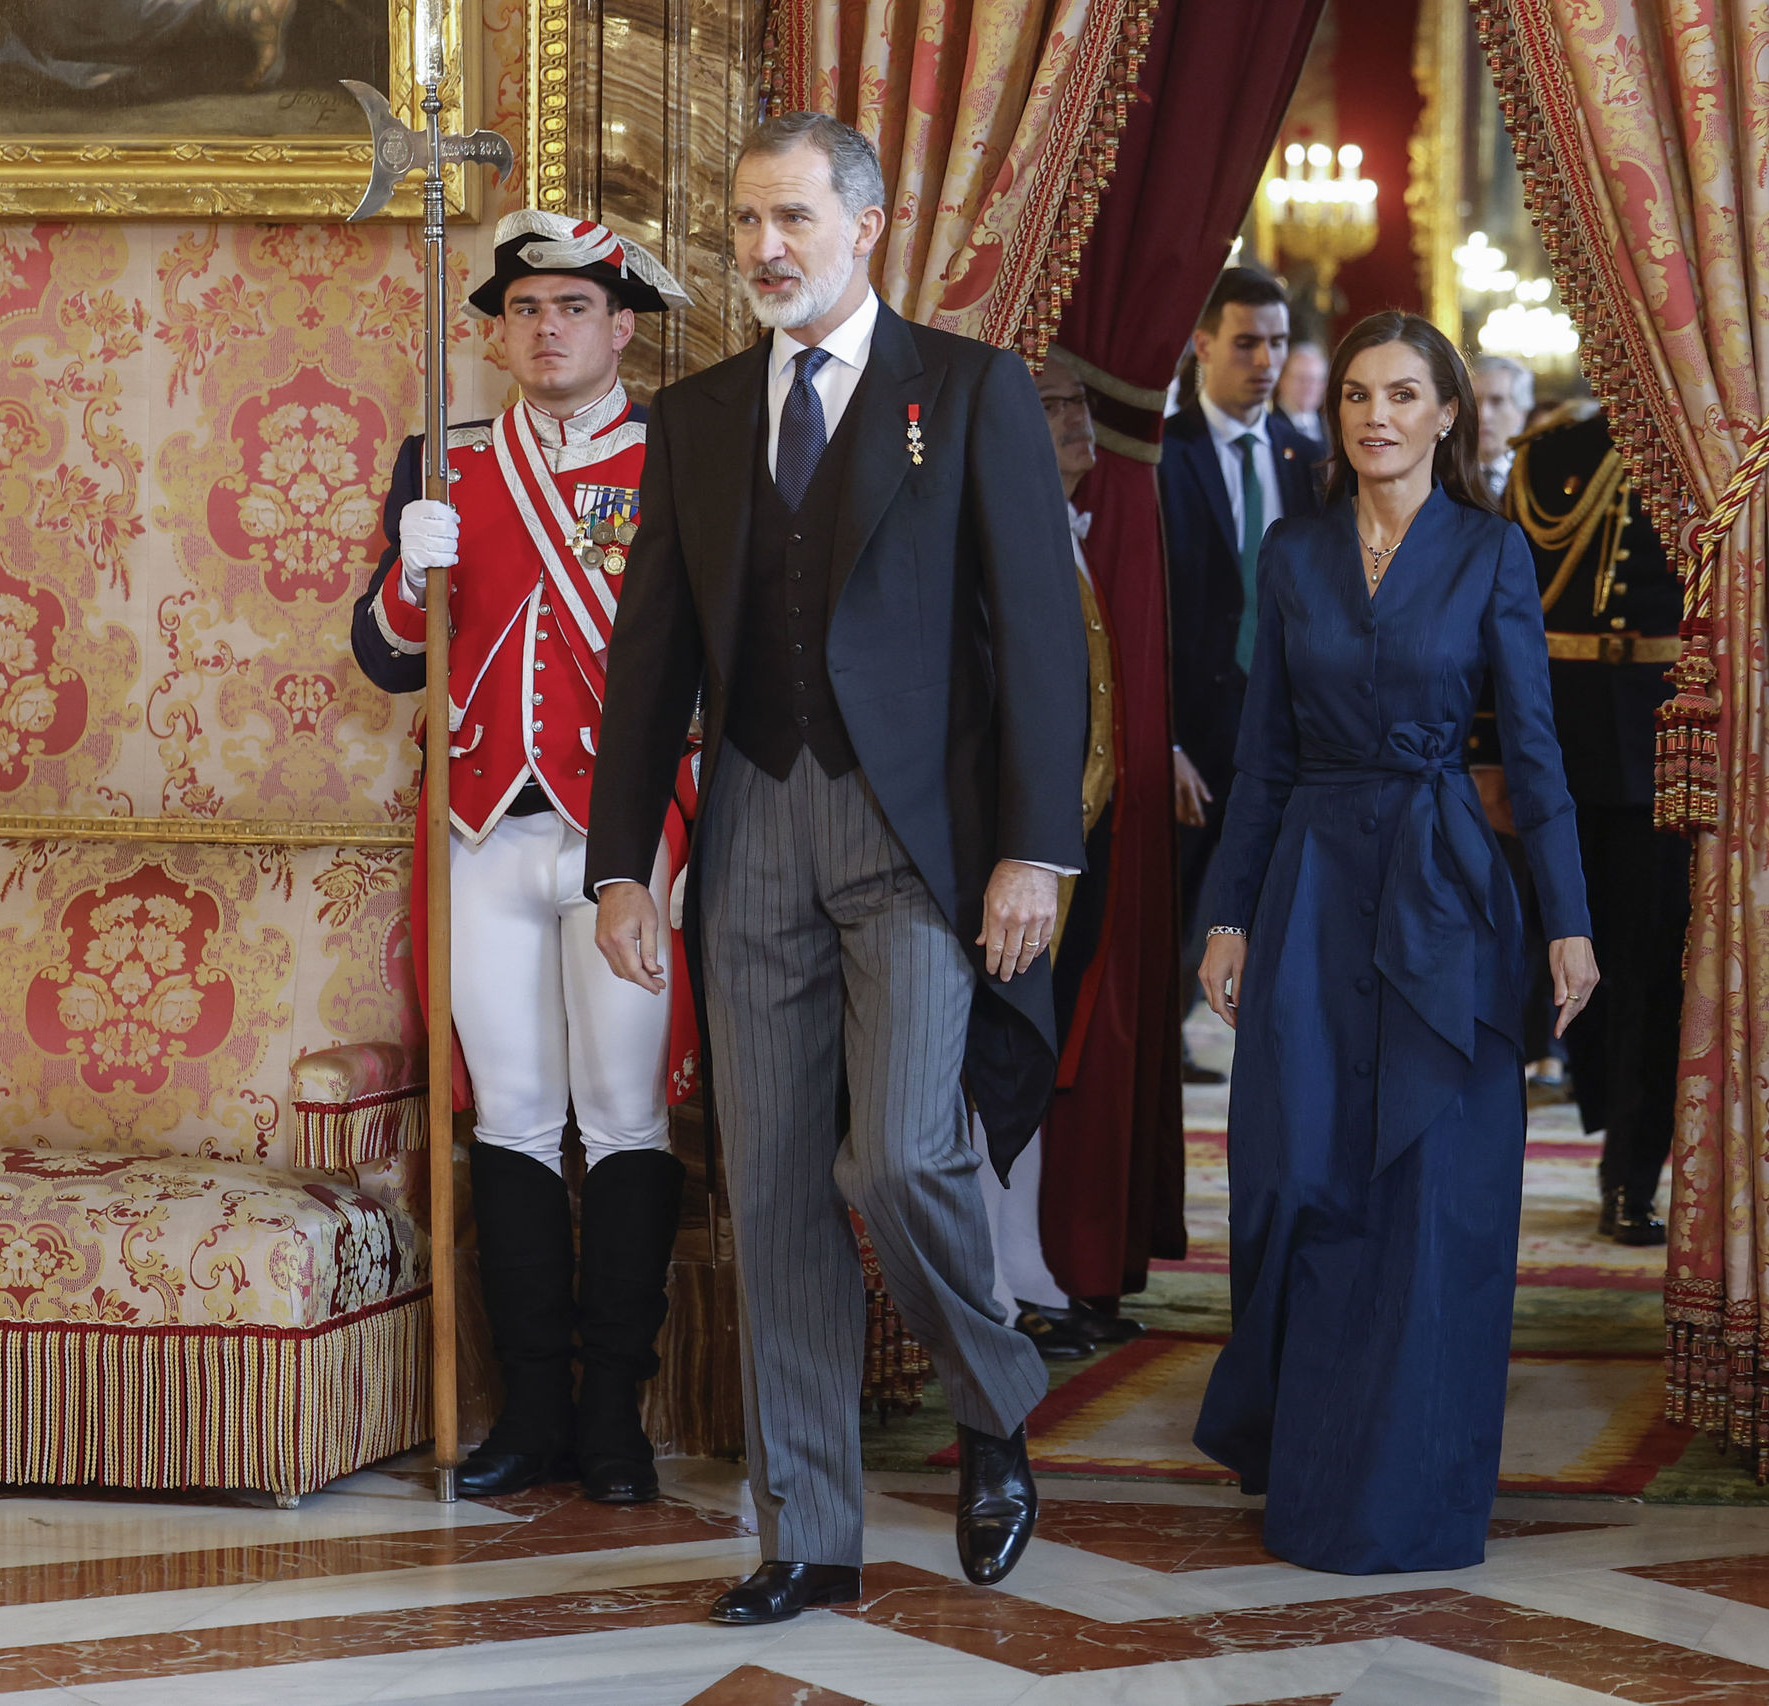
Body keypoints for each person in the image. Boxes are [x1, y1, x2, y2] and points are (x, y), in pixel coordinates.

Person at [585, 112, 1089, 1621]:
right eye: (746, 223)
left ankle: (993, 1398)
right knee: (778, 1189)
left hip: (914, 836)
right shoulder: (699, 417)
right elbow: (650, 656)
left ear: (868, 224)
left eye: (793, 219)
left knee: (898, 1154)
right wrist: (624, 865)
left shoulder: (972, 390)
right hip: (749, 827)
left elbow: (1044, 644)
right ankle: (805, 1530)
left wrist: (1037, 848)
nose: (764, 250)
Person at [1192, 311, 1599, 1574]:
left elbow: (1532, 754)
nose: (1376, 414)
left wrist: (1570, 919)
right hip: (1310, 887)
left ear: (1445, 416)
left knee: (1434, 1201)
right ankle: (1301, 1466)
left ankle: (1414, 1497)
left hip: (1444, 902)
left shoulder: (1489, 553)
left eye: (1404, 394)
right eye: (1358, 393)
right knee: (1292, 1182)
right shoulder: (1293, 551)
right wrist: (1227, 907)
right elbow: (1260, 761)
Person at [347, 210, 697, 1507]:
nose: (547, 330)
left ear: (620, 327)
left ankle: (617, 1417)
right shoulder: (442, 462)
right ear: (493, 333)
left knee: (622, 1114)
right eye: (525, 310)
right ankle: (530, 1411)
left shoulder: (679, 456)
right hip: (484, 825)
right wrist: (406, 575)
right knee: (509, 1117)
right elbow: (385, 655)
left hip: (631, 835)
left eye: (573, 308)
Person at [1499, 408, 1688, 1245]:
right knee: (1550, 964)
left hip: (1670, 735)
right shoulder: (1552, 456)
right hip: (1560, 739)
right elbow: (1501, 618)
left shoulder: (1704, 443)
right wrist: (1487, 748)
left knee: (1651, 974)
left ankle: (1631, 1171)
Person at [973, 354, 1128, 1363]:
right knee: (988, 1059)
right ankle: (987, 1280)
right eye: (1056, 405)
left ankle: (1024, 1264)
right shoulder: (993, 538)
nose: (1082, 423)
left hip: (1069, 840)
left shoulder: (1066, 534)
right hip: (1010, 847)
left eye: (1080, 402)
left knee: (1030, 1053)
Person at [1162, 270, 1325, 1083]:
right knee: (1178, 912)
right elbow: (1142, 612)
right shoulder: (1162, 454)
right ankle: (1162, 1049)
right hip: (1192, 730)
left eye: (1279, 342)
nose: (1265, 360)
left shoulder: (1307, 458)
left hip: (1283, 732)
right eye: (1247, 342)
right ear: (1203, 347)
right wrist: (1166, 741)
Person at [1471, 354, 1534, 506]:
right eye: (1474, 402)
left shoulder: (1537, 474)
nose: (1483, 415)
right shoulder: (1443, 477)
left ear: (1522, 412)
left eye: (1497, 401)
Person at [1278, 337, 1330, 443]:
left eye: (1314, 380)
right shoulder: (1268, 426)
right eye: (1301, 378)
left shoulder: (1333, 428)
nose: (1308, 387)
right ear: (1283, 380)